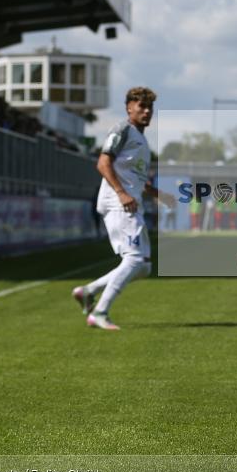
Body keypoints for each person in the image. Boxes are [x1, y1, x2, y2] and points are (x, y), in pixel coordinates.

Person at [71, 87, 174, 330]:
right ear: (129, 108)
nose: (147, 111)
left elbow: (135, 178)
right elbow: (103, 163)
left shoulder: (141, 139)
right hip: (119, 204)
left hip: (129, 203)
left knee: (143, 266)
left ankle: (89, 291)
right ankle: (99, 312)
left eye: (150, 107)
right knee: (134, 259)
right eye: (141, 106)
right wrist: (121, 193)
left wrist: (158, 194)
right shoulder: (122, 130)